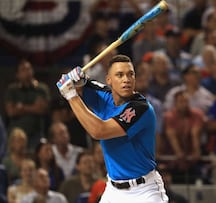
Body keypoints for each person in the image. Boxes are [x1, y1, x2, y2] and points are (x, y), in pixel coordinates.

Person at [56, 54, 168, 203]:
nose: (126, 80)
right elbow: (84, 84)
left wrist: (71, 94)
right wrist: (77, 78)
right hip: (114, 191)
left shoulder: (141, 108)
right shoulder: (104, 96)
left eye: (130, 74)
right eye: (120, 75)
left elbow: (99, 131)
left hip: (145, 191)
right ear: (109, 79)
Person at [4, 58, 50, 151]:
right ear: (17, 74)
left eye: (29, 69)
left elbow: (43, 110)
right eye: (23, 70)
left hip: (37, 133)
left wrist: (21, 107)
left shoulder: (41, 88)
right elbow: (11, 112)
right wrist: (34, 107)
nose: (27, 72)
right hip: (16, 132)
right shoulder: (12, 90)